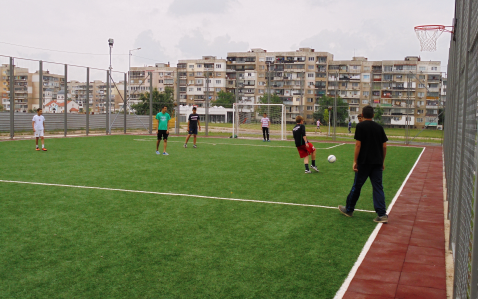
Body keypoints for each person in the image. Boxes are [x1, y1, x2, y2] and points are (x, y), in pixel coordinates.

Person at [339, 105, 389, 223]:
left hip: (364, 162)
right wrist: (382, 161)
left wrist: (355, 161)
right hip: (377, 163)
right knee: (378, 187)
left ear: (362, 114)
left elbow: (358, 145)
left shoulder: (360, 126)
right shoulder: (379, 127)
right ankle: (382, 215)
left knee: (357, 186)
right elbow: (384, 146)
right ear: (373, 115)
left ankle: (349, 210)